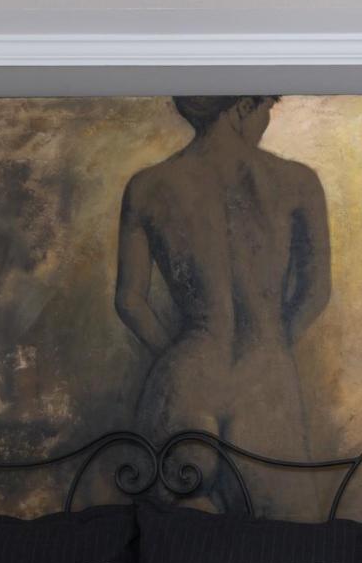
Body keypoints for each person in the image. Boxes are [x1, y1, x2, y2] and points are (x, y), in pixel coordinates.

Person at [114, 94, 331, 510]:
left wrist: (180, 355)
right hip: (263, 383)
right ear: (242, 107)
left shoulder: (147, 186)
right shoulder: (297, 182)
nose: (266, 120)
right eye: (267, 108)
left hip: (186, 382)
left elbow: (129, 301)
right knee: (287, 540)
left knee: (179, 545)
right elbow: (316, 292)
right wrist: (272, 345)